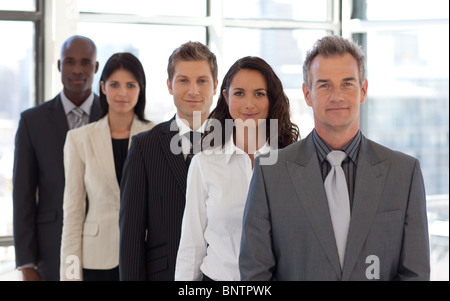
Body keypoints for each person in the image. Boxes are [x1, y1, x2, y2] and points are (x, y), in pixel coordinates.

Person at [239, 35, 430, 281]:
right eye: (325, 85)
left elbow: (415, 274)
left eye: (347, 84)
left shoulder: (405, 173)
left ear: (363, 90)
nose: (337, 96)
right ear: (307, 94)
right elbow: (255, 275)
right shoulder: (269, 173)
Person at [175, 56, 299, 281]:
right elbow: (191, 246)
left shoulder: (292, 163)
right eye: (239, 93)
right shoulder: (204, 164)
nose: (249, 104)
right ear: (226, 96)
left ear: (271, 99)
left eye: (259, 94)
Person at [119, 41, 218, 281]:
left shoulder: (233, 146)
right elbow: (131, 236)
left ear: (215, 86)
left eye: (202, 81)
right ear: (169, 85)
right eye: (183, 80)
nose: (193, 90)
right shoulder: (145, 147)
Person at [59, 52, 154, 281]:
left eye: (131, 85)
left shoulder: (155, 136)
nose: (122, 93)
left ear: (140, 89)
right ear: (102, 87)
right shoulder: (79, 139)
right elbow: (73, 214)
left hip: (145, 256)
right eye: (114, 84)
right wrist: (70, 275)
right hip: (96, 261)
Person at [13, 35, 101, 281]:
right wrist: (26, 264)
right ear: (59, 65)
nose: (77, 69)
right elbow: (23, 195)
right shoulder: (32, 122)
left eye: (85, 62)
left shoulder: (113, 115)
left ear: (95, 67)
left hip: (106, 248)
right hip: (51, 250)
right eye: (70, 61)